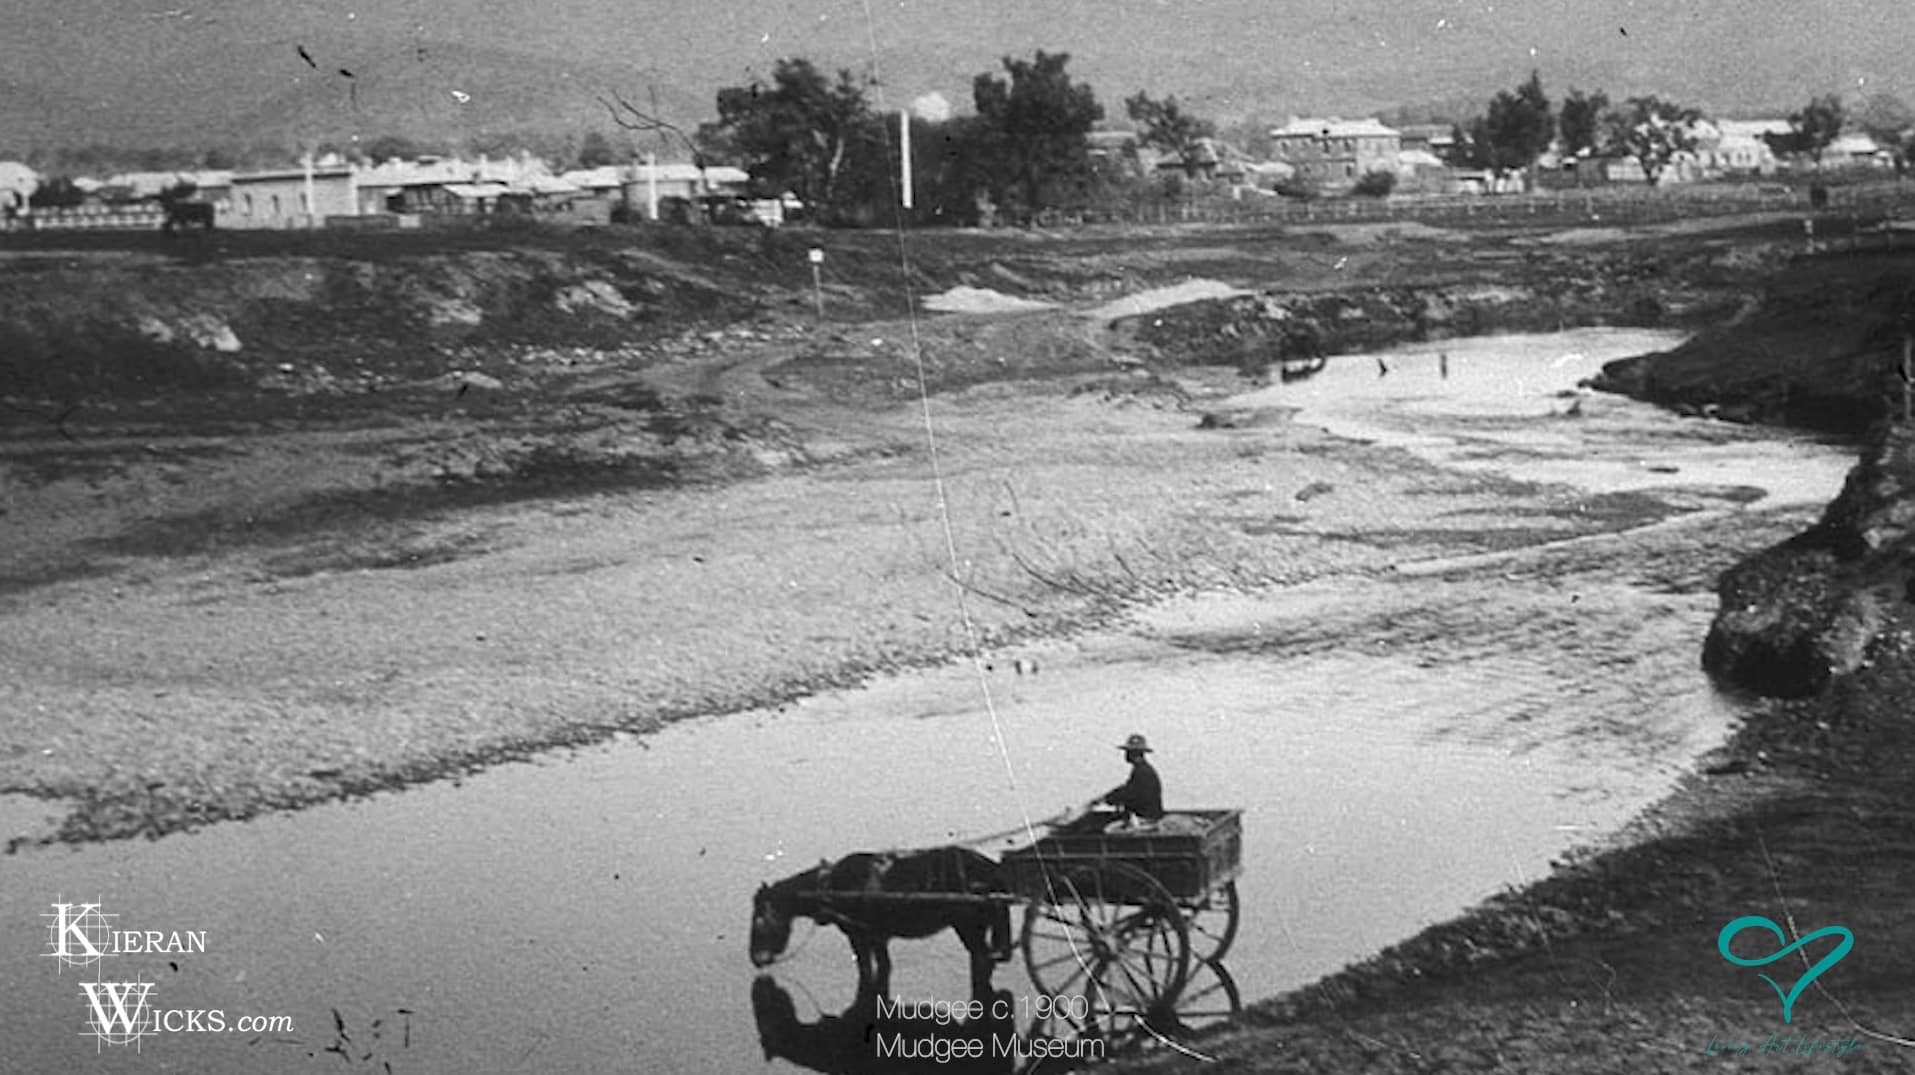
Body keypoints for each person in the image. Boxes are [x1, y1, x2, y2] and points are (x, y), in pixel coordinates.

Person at [1098, 733, 1164, 827]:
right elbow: (1128, 789)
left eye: (1128, 751)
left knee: (1110, 829)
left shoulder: (1142, 772)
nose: (1125, 754)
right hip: (1147, 816)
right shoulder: (1143, 770)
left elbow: (1131, 793)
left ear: (1133, 753)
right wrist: (1110, 797)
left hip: (1145, 819)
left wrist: (1109, 798)